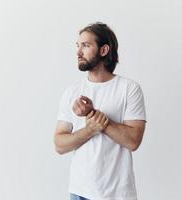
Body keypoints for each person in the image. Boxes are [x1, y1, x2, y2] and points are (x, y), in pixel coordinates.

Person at [54, 22, 147, 200]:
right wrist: (89, 129)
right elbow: (59, 144)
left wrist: (93, 115)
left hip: (118, 194)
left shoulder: (129, 89)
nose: (78, 52)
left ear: (104, 50)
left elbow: (134, 141)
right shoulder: (72, 92)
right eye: (78, 45)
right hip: (79, 191)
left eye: (86, 45)